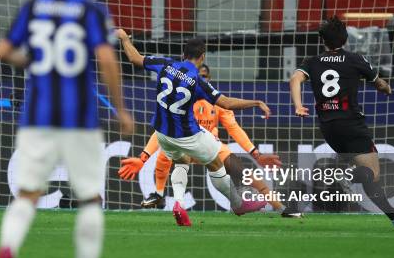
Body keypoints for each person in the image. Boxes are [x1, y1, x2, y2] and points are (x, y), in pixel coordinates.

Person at [0, 0, 134, 258]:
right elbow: (105, 59)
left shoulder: (33, 7)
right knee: (89, 199)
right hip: (79, 119)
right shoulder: (91, 10)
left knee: (26, 195)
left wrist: (34, 63)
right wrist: (121, 109)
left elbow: (2, 52)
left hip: (36, 116)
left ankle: (8, 250)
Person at [118, 29, 270, 226]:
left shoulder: (165, 64)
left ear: (183, 54)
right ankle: (238, 204)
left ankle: (179, 204)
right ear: (202, 57)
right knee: (216, 163)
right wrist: (256, 102)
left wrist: (123, 37)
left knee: (181, 161)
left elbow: (134, 58)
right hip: (187, 135)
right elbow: (227, 103)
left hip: (163, 134)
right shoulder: (198, 81)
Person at [119, 64, 301, 218]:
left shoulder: (215, 101)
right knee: (168, 152)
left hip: (207, 146)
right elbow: (161, 131)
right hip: (186, 143)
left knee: (243, 171)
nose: (202, 79)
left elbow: (234, 128)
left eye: (205, 76)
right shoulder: (183, 98)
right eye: (199, 76)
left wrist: (256, 154)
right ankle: (159, 194)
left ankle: (282, 209)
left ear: (209, 78)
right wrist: (143, 158)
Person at [289, 16, 394, 229]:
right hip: (352, 124)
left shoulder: (312, 62)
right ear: (344, 39)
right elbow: (379, 83)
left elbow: (295, 79)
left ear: (322, 40)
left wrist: (298, 105)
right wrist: (386, 88)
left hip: (328, 127)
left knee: (367, 174)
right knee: (372, 175)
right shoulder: (355, 59)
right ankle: (343, 175)